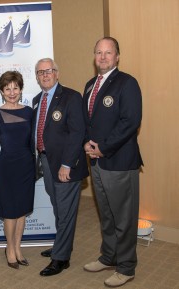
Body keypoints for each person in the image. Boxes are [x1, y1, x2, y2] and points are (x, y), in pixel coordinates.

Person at [82, 37, 143, 287]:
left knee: (124, 217)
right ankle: (109, 256)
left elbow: (131, 121)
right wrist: (86, 142)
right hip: (96, 163)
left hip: (119, 161)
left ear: (117, 56)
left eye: (109, 52)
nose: (103, 57)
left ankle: (126, 266)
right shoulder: (89, 85)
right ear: (94, 56)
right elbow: (87, 121)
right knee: (106, 214)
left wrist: (103, 148)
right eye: (99, 52)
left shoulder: (127, 83)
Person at [32, 58, 89, 276]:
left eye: (49, 71)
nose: (45, 75)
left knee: (65, 212)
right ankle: (62, 244)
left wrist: (67, 164)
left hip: (66, 165)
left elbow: (77, 133)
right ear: (37, 77)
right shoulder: (38, 99)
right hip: (46, 161)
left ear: (57, 73)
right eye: (40, 72)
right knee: (58, 208)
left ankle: (61, 258)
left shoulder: (71, 97)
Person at [0, 71, 35, 269]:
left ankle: (18, 248)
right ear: (1, 91)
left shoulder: (29, 112)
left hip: (26, 166)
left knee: (22, 211)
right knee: (9, 211)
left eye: (15, 87)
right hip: (6, 167)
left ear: (21, 89)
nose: (12, 92)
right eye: (7, 88)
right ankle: (9, 249)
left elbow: (33, 142)